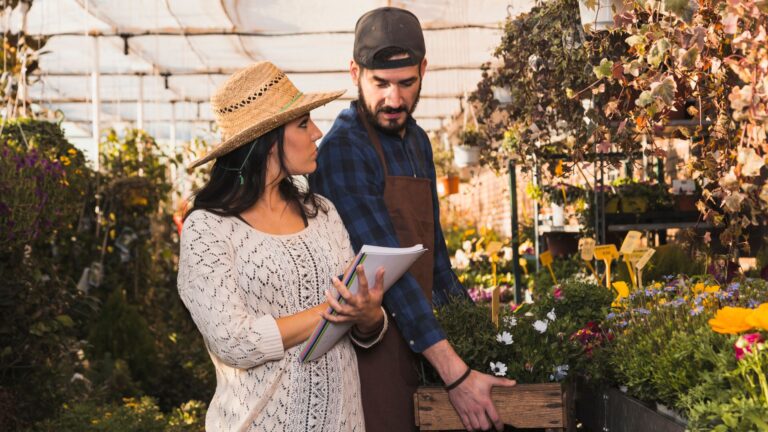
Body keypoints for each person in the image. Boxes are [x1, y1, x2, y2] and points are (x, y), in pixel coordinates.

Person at [309, 7, 516, 432]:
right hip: (371, 347)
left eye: (407, 83)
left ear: (424, 69)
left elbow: (434, 259)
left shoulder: (418, 141)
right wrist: (455, 373)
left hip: (422, 336)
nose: (394, 99)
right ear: (355, 73)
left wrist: (482, 340)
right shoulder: (344, 148)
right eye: (380, 83)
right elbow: (387, 272)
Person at [178, 61, 389, 432]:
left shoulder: (322, 212)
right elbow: (235, 343)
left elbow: (363, 330)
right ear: (268, 140)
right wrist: (336, 310)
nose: (318, 132)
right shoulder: (208, 229)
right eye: (304, 123)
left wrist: (368, 314)